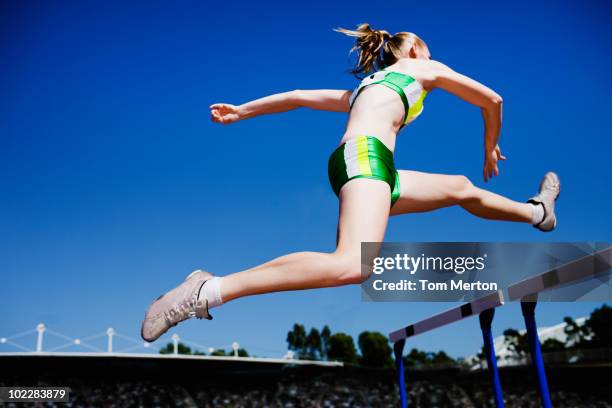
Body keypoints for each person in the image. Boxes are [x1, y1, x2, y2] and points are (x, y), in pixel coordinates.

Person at [141, 24, 560, 342]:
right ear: (414, 49)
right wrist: (491, 146)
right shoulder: (420, 66)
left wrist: (243, 111)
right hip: (367, 159)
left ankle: (537, 212)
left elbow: (300, 95)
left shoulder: (364, 87)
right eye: (429, 49)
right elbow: (493, 100)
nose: (435, 57)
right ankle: (208, 290)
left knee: (460, 188)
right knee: (351, 265)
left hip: (366, 165)